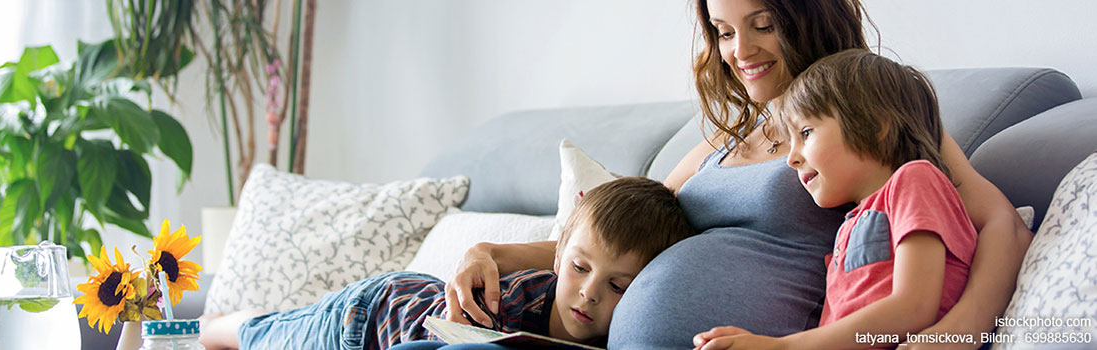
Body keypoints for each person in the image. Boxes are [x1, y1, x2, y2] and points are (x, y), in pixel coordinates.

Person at [432, 0, 1033, 349]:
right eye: (723, 31)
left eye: (763, 22)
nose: (739, 49)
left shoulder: (867, 117)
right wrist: (494, 253)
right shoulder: (720, 143)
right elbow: (612, 239)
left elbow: (1000, 222)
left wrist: (952, 336)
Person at [198, 177, 696, 350]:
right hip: (371, 317)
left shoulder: (627, 334)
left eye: (619, 286)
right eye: (580, 269)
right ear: (560, 251)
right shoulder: (514, 305)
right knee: (266, 335)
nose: (589, 294)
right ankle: (215, 324)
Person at [692, 49, 978, 350]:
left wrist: (779, 347)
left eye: (806, 133)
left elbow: (914, 307)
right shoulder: (850, 224)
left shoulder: (916, 180)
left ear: (875, 124)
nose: (791, 159)